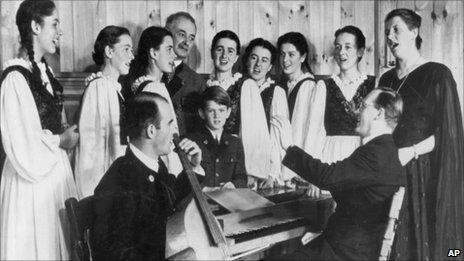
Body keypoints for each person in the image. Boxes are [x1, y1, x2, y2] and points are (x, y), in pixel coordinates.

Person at [268, 88, 406, 260]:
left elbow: (327, 177)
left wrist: (289, 147)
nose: (357, 111)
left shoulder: (375, 154)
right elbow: (343, 188)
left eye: (363, 106)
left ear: (378, 114)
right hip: (346, 246)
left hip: (344, 252)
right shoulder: (385, 150)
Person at [378, 8, 464, 260]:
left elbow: (449, 134)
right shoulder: (386, 79)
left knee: (433, 247)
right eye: (386, 32)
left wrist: (412, 151)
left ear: (414, 32)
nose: (390, 37)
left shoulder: (438, 74)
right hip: (390, 172)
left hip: (425, 172)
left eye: (396, 30)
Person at [0, 0, 79, 259]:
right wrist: (61, 140)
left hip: (54, 175)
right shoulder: (15, 78)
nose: (60, 32)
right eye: (54, 23)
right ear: (35, 25)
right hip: (30, 179)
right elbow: (23, 142)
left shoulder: (46, 73)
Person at [90, 92, 205, 260]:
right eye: (169, 124)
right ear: (151, 131)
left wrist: (193, 167)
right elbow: (111, 253)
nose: (175, 131)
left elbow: (171, 197)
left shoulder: (151, 165)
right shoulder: (120, 180)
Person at [308, 26, 375, 196]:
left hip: (362, 158)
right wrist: (314, 176)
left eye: (348, 47)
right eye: (337, 47)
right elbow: (315, 132)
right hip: (331, 156)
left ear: (360, 52)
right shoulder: (324, 86)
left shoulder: (373, 85)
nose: (341, 52)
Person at [74, 25, 134, 197]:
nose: (132, 56)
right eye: (126, 49)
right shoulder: (101, 87)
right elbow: (97, 149)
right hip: (103, 183)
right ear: (109, 51)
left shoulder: (111, 87)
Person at [206, 30, 272, 186]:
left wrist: (249, 173)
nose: (224, 56)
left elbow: (256, 135)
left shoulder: (246, 85)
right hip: (209, 161)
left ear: (236, 57)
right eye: (219, 49)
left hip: (235, 163)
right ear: (212, 53)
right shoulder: (205, 86)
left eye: (230, 51)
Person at [128, 26, 183, 175]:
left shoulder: (145, 85)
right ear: (153, 53)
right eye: (169, 49)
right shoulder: (154, 89)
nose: (174, 55)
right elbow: (161, 140)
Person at [242, 38, 291, 186]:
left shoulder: (276, 92)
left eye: (264, 60)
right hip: (240, 162)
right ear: (247, 60)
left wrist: (272, 173)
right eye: (254, 58)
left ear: (270, 66)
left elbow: (277, 137)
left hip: (265, 167)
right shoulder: (239, 87)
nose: (258, 64)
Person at [187, 87, 247, 190]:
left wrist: (234, 185)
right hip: (202, 201)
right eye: (211, 111)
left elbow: (241, 177)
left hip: (227, 200)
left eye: (221, 110)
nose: (217, 115)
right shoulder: (191, 141)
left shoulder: (235, 142)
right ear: (202, 113)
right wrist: (204, 189)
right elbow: (185, 180)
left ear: (228, 112)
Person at [276, 32, 317, 183]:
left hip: (298, 165)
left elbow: (305, 130)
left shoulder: (308, 86)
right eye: (282, 54)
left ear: (303, 57)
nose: (285, 60)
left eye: (291, 54)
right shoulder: (281, 86)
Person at [164, 12, 206, 134]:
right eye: (182, 34)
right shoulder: (147, 70)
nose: (187, 42)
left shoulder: (197, 83)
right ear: (167, 33)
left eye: (191, 38)